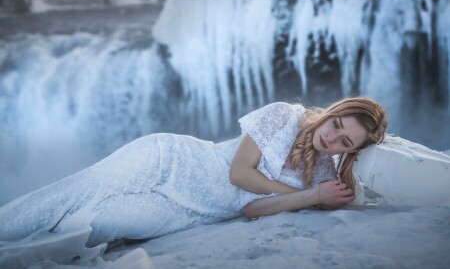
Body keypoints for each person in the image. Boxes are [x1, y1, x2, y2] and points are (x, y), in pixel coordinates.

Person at [0, 97, 387, 248]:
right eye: (337, 126)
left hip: (189, 213)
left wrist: (312, 196)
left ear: (350, 153)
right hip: (170, 161)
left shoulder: (320, 177)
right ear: (334, 113)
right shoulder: (286, 115)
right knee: (77, 191)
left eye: (345, 144)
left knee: (94, 225)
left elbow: (251, 210)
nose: (332, 140)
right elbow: (239, 174)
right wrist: (291, 194)